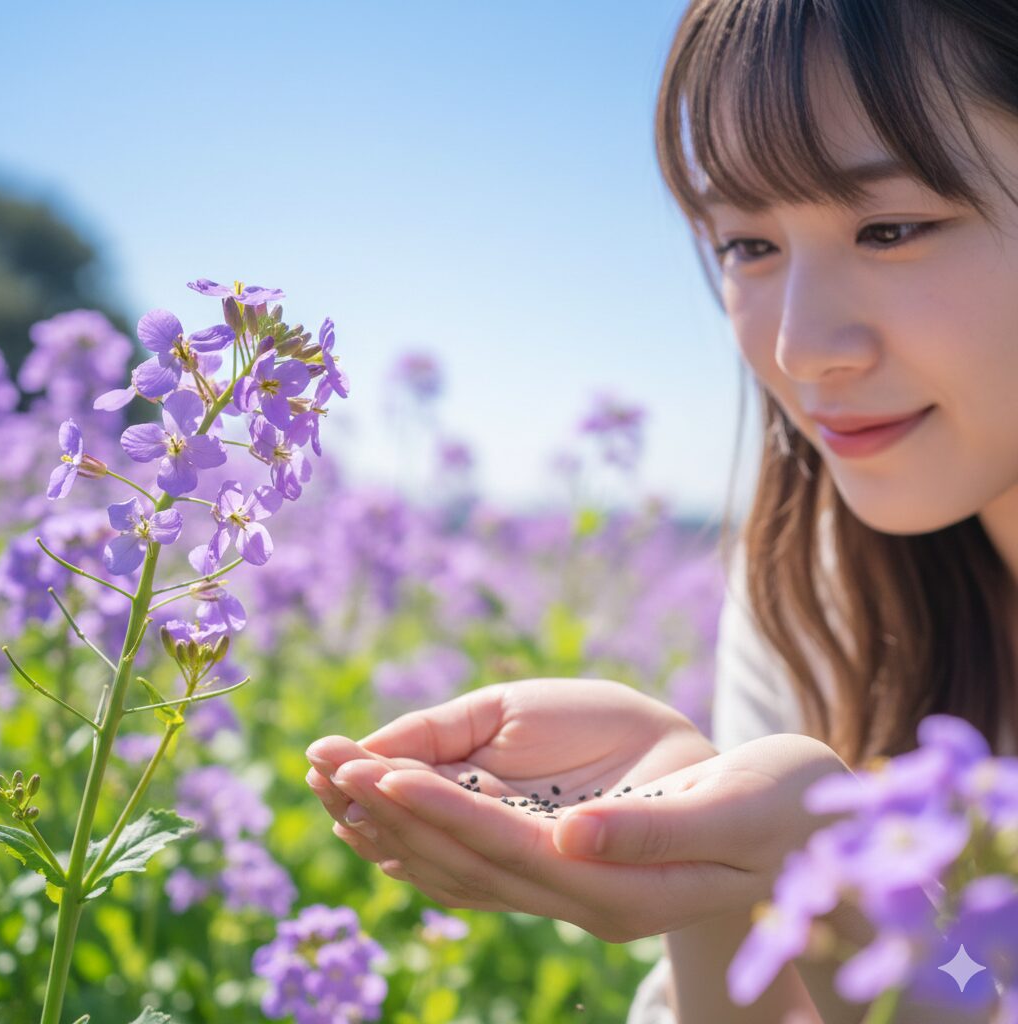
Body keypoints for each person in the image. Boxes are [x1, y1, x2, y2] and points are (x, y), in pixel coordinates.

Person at [305, 0, 1018, 1019]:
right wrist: (724, 860)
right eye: (744, 245)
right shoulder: (817, 592)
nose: (799, 348)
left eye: (890, 227)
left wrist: (840, 878)